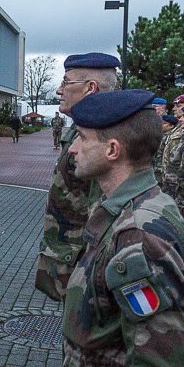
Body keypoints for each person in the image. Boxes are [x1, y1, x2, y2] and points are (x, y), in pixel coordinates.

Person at [55, 89, 184, 367]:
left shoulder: (138, 236)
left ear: (112, 150)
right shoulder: (130, 208)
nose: (72, 148)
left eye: (83, 138)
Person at [35, 52, 119, 301]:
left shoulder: (101, 135)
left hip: (84, 263)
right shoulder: (82, 129)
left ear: (90, 88)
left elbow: (103, 211)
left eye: (66, 82)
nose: (60, 90)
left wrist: (89, 270)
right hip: (70, 254)